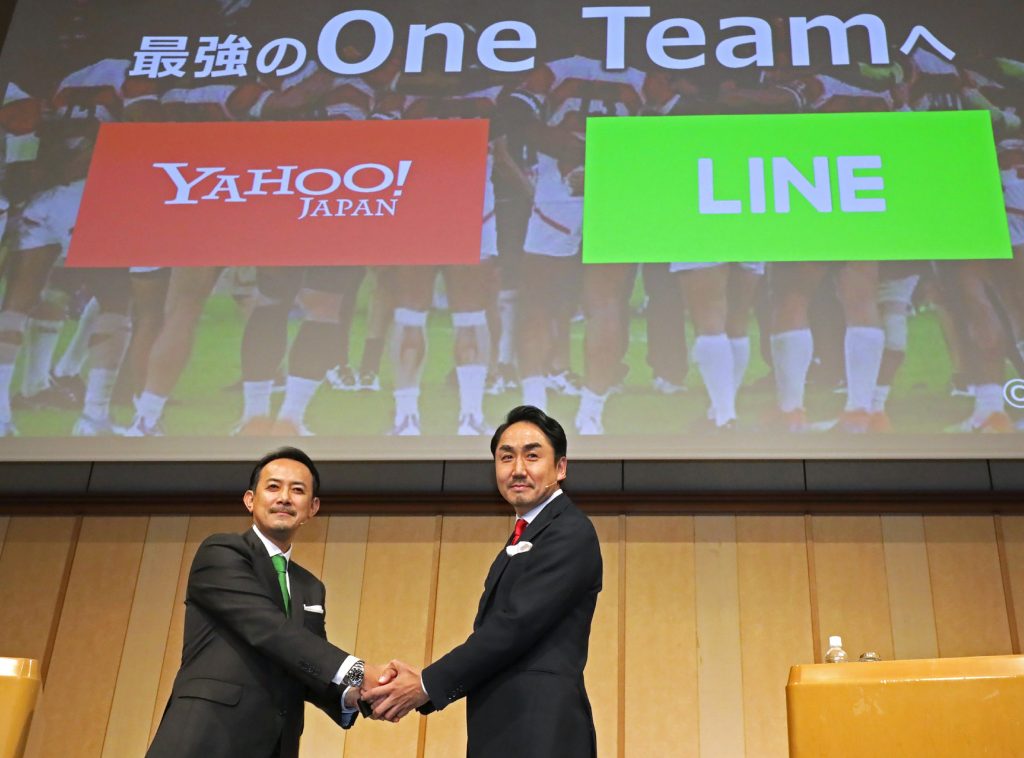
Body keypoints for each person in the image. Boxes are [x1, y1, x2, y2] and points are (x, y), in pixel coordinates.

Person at [363, 405, 602, 757]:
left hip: (542, 731)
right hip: (508, 728)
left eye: (532, 456)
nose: (518, 469)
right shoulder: (527, 533)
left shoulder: (569, 531)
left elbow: (514, 626)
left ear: (560, 467)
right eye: (506, 458)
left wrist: (426, 683)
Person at [146, 446, 388, 758]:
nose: (285, 497)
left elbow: (307, 662)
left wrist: (355, 696)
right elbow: (270, 630)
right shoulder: (222, 552)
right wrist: (359, 671)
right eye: (273, 487)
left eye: (297, 490)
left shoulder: (310, 587)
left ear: (313, 507)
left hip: (275, 745)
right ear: (250, 499)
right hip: (204, 739)